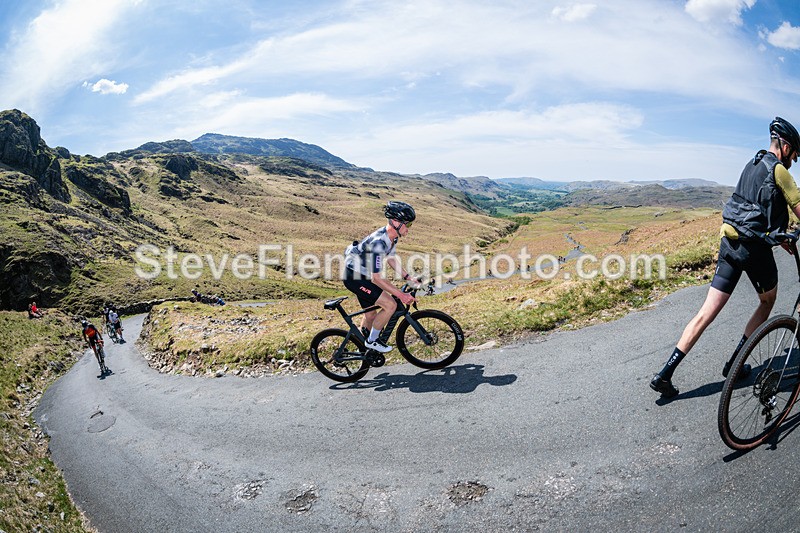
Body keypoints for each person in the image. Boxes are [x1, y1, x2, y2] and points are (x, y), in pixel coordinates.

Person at [650, 117, 800, 399]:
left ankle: (665, 373)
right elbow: (796, 206)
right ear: (786, 146)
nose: (795, 160)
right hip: (752, 249)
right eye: (795, 154)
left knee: (706, 312)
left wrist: (779, 236)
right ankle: (735, 362)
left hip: (729, 242)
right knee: (767, 301)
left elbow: (753, 209)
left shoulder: (751, 163)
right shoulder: (779, 171)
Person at [343, 201, 419, 353]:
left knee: (370, 315)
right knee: (390, 304)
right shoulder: (379, 243)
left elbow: (391, 258)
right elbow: (376, 279)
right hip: (355, 277)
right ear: (396, 222)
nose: (409, 229)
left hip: (361, 273)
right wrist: (401, 295)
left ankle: (362, 351)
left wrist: (407, 276)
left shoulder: (392, 237)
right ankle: (372, 341)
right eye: (408, 225)